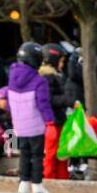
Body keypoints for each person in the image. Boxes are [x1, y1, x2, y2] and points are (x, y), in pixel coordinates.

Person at [6, 42, 56, 193]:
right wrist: (50, 122)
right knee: (37, 156)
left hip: (19, 126)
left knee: (24, 155)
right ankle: (37, 185)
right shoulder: (39, 81)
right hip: (35, 126)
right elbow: (43, 104)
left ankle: (23, 185)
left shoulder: (12, 79)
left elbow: (9, 104)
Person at [40, 44, 72, 182]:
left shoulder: (57, 76)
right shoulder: (46, 77)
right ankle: (49, 180)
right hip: (51, 122)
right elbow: (48, 99)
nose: (62, 64)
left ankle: (62, 180)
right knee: (51, 154)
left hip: (59, 120)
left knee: (61, 154)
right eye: (61, 61)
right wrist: (66, 100)